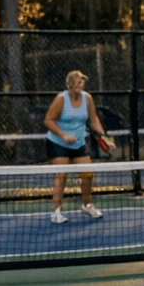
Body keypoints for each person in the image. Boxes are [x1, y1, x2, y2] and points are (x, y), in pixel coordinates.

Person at [44, 69, 109, 223]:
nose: (79, 84)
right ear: (68, 85)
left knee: (87, 174)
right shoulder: (60, 99)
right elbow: (48, 120)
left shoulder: (88, 98)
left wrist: (104, 137)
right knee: (62, 175)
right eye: (75, 82)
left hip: (79, 142)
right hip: (58, 142)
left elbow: (93, 120)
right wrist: (64, 135)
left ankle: (87, 205)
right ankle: (56, 211)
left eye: (81, 81)